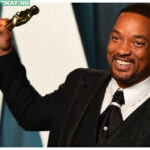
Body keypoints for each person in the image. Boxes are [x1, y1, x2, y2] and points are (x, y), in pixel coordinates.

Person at [0, 3, 150, 147]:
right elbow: (30, 114)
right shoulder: (80, 83)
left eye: (138, 43)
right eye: (116, 38)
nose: (122, 50)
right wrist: (4, 51)